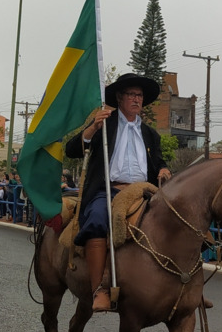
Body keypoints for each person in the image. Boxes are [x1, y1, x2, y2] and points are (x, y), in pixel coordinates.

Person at [65, 73, 171, 312]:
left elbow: (157, 162)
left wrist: (163, 169)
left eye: (140, 95)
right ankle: (99, 289)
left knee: (178, 219)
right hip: (109, 190)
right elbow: (72, 150)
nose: (137, 99)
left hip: (144, 192)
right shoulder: (104, 124)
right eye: (132, 94)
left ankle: (185, 288)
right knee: (97, 219)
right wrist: (92, 127)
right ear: (120, 98)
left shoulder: (150, 134)